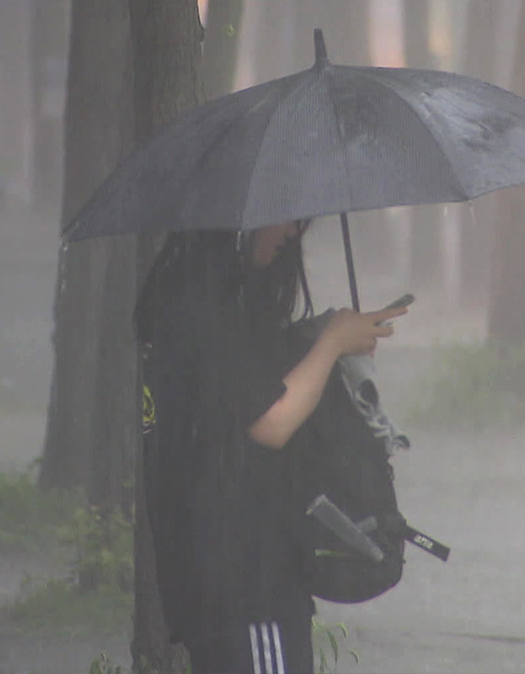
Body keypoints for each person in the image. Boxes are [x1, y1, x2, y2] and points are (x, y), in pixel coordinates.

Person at [134, 220, 408, 674]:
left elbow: (236, 393)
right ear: (240, 214)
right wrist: (331, 342)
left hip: (221, 580)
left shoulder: (198, 289)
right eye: (285, 212)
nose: (295, 226)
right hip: (245, 583)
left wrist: (313, 338)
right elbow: (271, 421)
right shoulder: (205, 298)